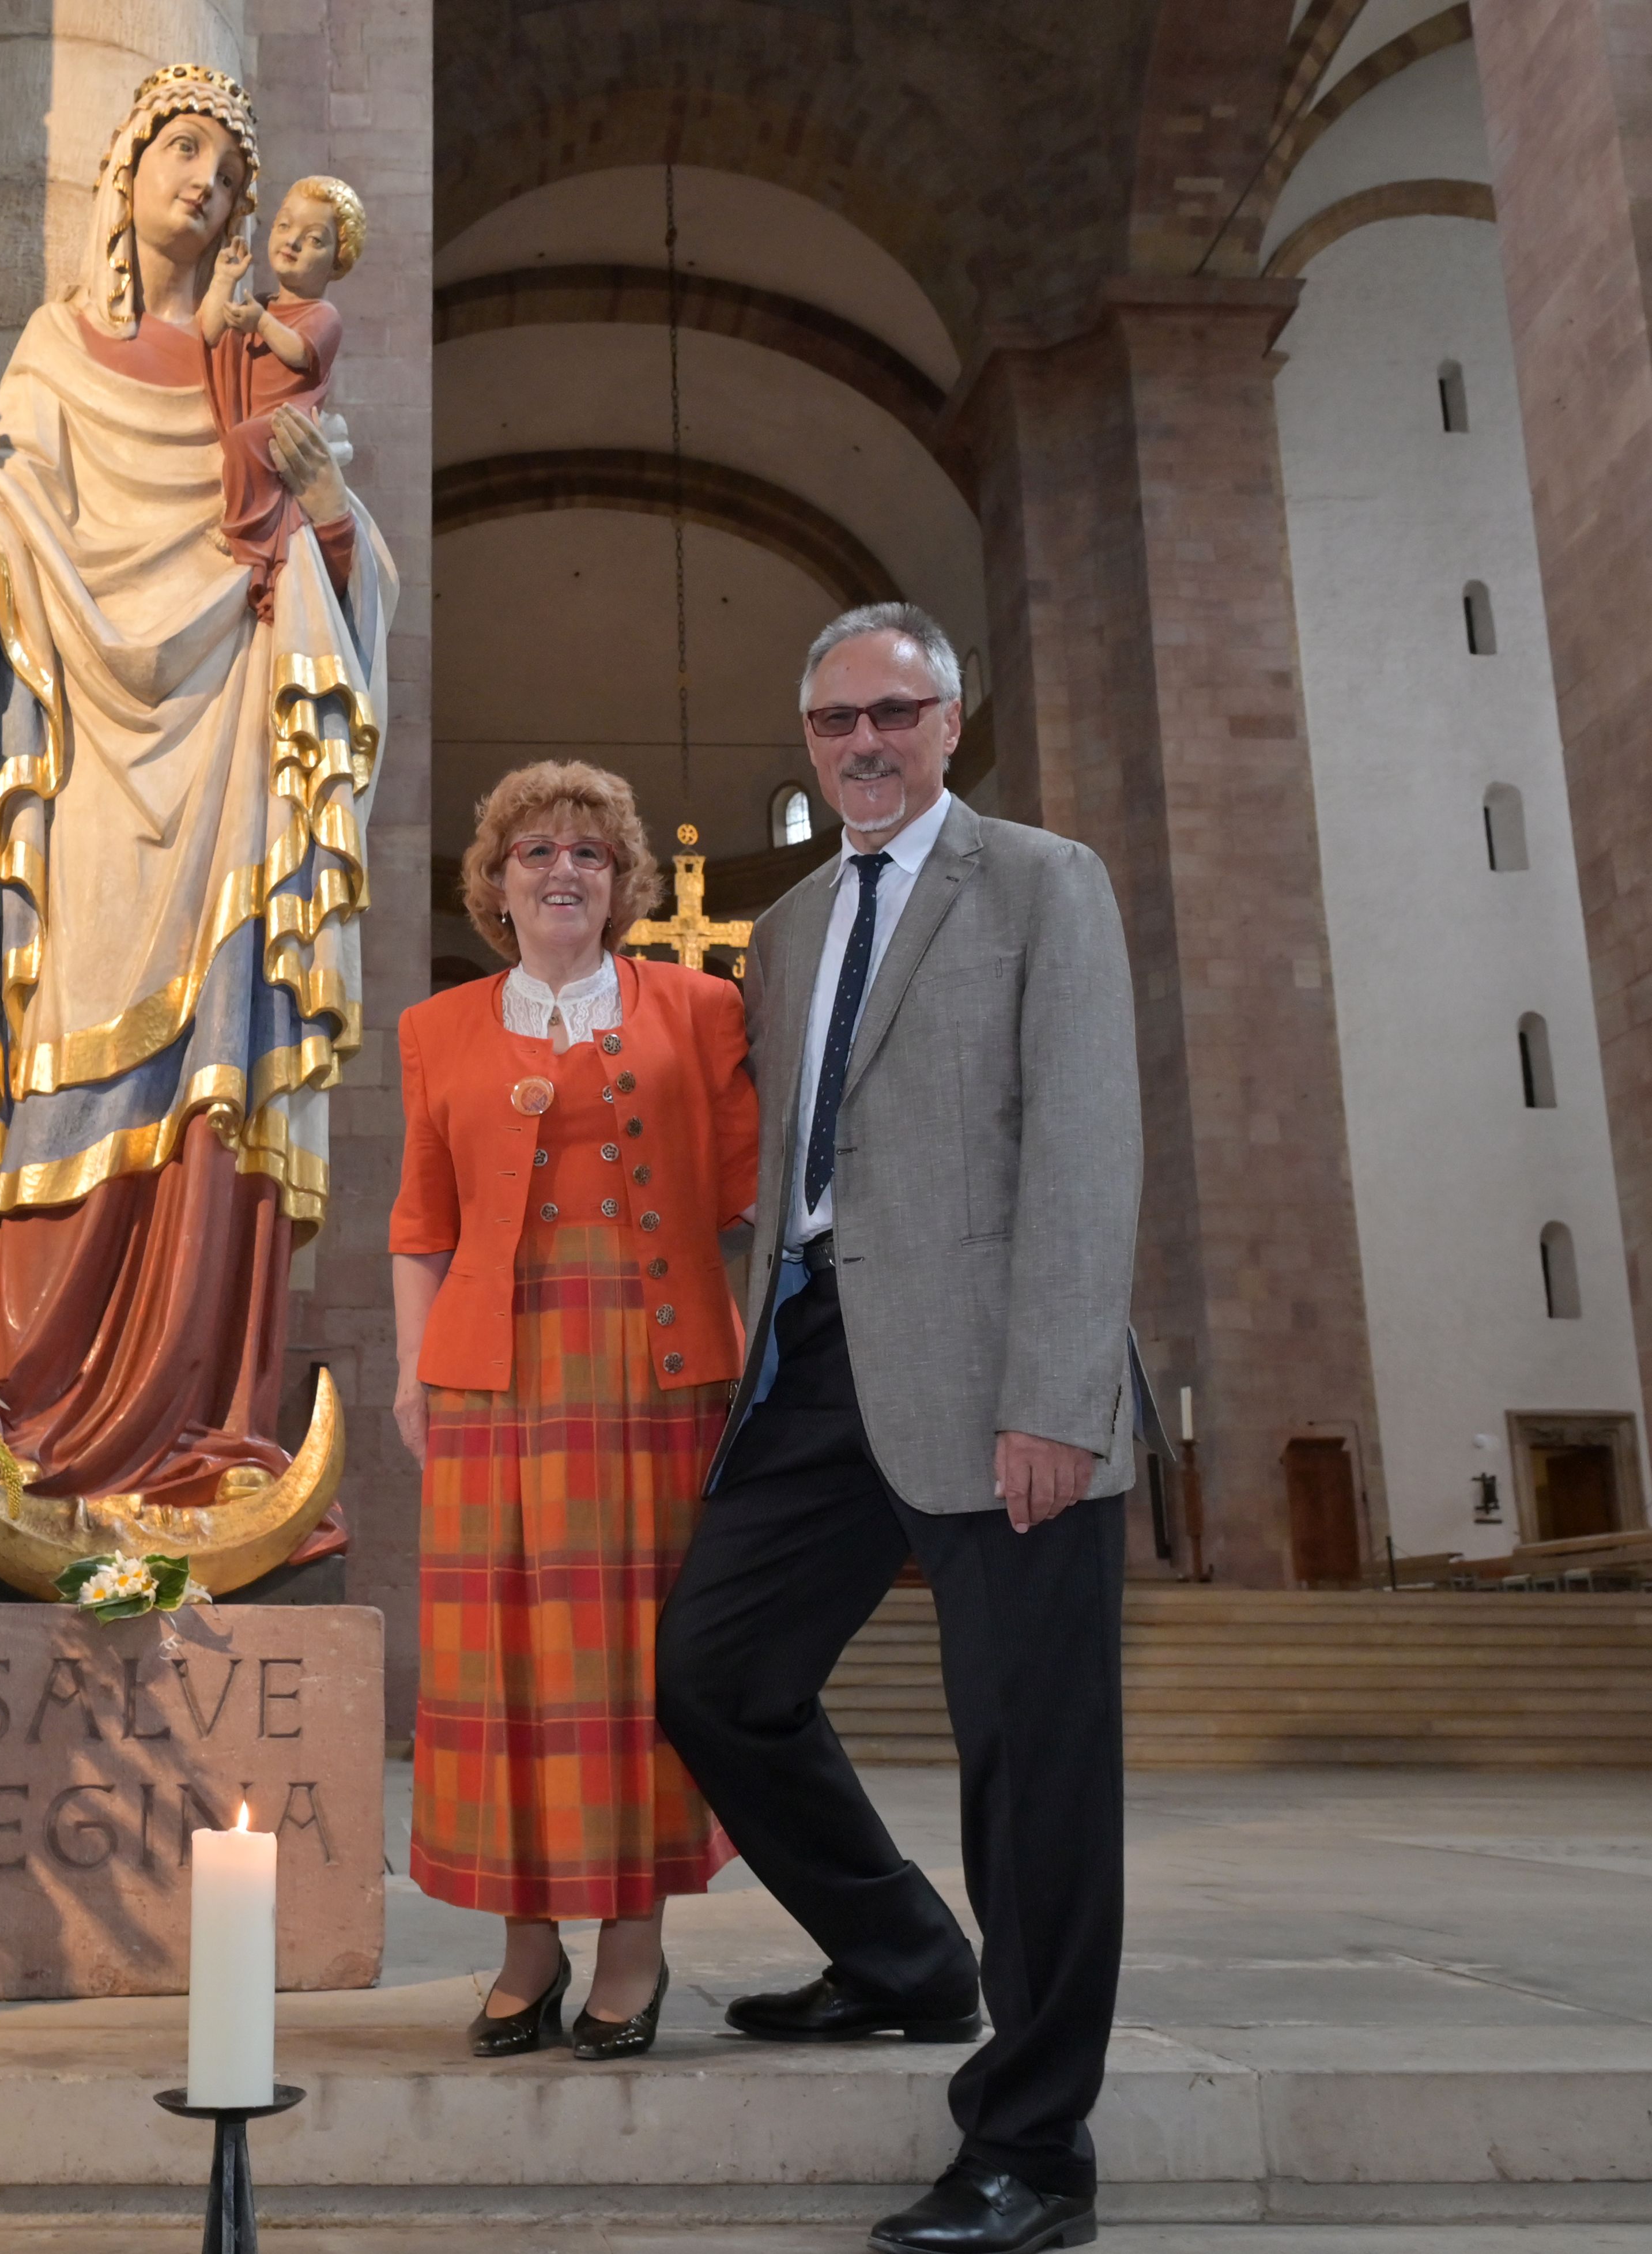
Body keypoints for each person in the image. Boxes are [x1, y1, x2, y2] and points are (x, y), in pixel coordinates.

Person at [655, 605, 1140, 2254]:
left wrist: (1052, 1396)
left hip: (995, 1374)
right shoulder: (787, 926)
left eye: (892, 711)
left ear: (948, 720)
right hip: (812, 1357)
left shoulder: (1041, 881)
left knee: (1030, 1760)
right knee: (714, 1669)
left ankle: (1033, 2147)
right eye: (833, 720)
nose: (862, 741)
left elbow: (1084, 1142)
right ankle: (903, 1957)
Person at [0, 67, 396, 1518]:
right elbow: (3, 506)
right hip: (85, 774)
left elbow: (346, 573)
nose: (205, 183)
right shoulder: (55, 352)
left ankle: (201, 1432)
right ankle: (38, 1423)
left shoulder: (255, 364)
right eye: (181, 150)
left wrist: (324, 512)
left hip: (233, 741)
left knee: (221, 1072)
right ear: (124, 172)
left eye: (228, 173)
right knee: (64, 1057)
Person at [389, 760, 760, 2061]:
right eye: (535, 851)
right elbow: (420, 1224)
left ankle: (632, 1942)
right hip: (490, 1369)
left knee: (628, 1665)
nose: (562, 870)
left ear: (623, 883)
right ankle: (527, 1942)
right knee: (501, 1662)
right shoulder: (435, 1029)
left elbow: (750, 1196)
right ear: (495, 883)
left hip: (657, 1367)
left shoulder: (702, 1008)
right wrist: (410, 1370)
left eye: (589, 853)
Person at [198, 175, 365, 618]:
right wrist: (222, 280)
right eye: (284, 226)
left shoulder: (323, 315)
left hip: (287, 426)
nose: (291, 242)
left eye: (313, 239)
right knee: (240, 441)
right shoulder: (262, 304)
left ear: (336, 262)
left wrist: (260, 323)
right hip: (250, 416)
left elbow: (297, 351)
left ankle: (248, 538)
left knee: (245, 441)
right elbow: (210, 333)